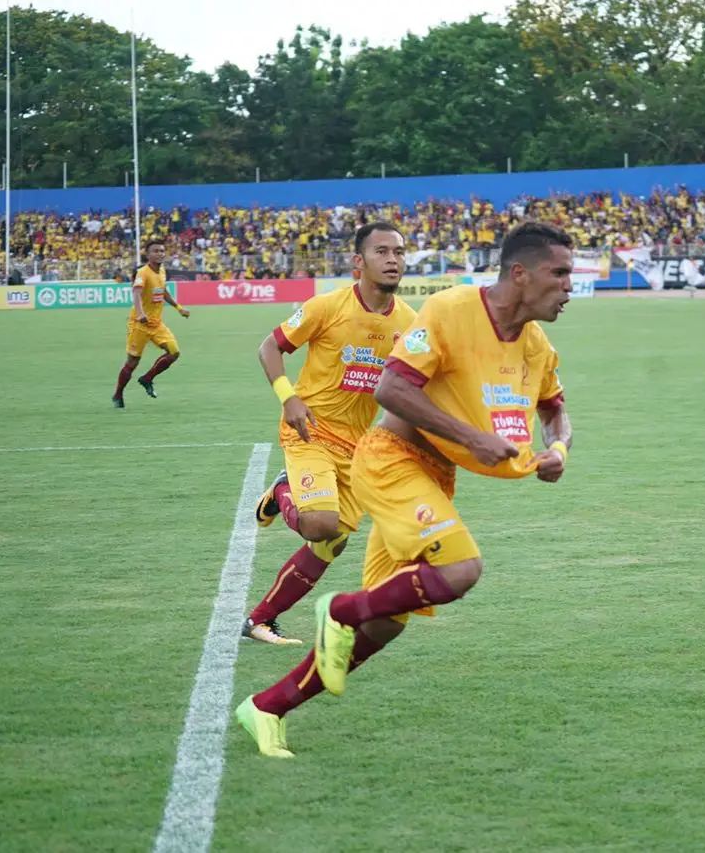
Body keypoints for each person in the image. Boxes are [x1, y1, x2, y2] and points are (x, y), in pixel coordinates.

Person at [235, 221, 574, 758]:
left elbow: (555, 408)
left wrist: (559, 450)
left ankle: (267, 707)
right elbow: (392, 388)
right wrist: (470, 437)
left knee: (386, 625)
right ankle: (338, 609)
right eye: (560, 273)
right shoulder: (450, 311)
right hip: (389, 460)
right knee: (460, 569)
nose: (570, 286)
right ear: (520, 273)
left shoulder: (534, 343)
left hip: (432, 475)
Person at [243, 222, 417, 645]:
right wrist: (288, 397)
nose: (393, 258)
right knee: (319, 524)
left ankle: (259, 620)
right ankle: (284, 490)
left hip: (358, 446)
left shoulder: (411, 322)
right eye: (382, 251)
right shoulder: (327, 307)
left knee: (331, 543)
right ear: (358, 262)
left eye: (399, 251)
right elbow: (270, 346)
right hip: (310, 430)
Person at [112, 240, 189, 409]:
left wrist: (179, 307)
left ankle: (147, 378)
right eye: (156, 251)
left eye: (162, 250)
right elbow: (137, 292)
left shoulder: (161, 271)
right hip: (139, 324)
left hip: (156, 324)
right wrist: (140, 313)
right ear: (148, 254)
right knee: (132, 362)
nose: (160, 253)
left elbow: (163, 291)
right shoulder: (143, 273)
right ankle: (118, 394)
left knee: (174, 352)